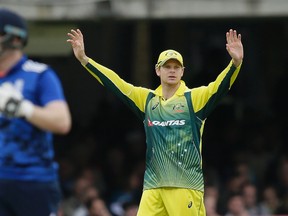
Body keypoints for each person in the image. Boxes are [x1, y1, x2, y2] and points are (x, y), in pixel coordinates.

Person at [67, 27, 243, 216]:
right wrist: (85, 60)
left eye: (176, 67)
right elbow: (116, 83)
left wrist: (235, 63)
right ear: (158, 70)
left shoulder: (194, 99)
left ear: (183, 71)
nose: (172, 71)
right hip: (153, 187)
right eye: (167, 67)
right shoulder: (147, 100)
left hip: (185, 186)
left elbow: (220, 86)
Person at [0, 8, 71, 216]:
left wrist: (22, 108)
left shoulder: (40, 75)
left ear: (14, 38)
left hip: (32, 180)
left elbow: (61, 122)